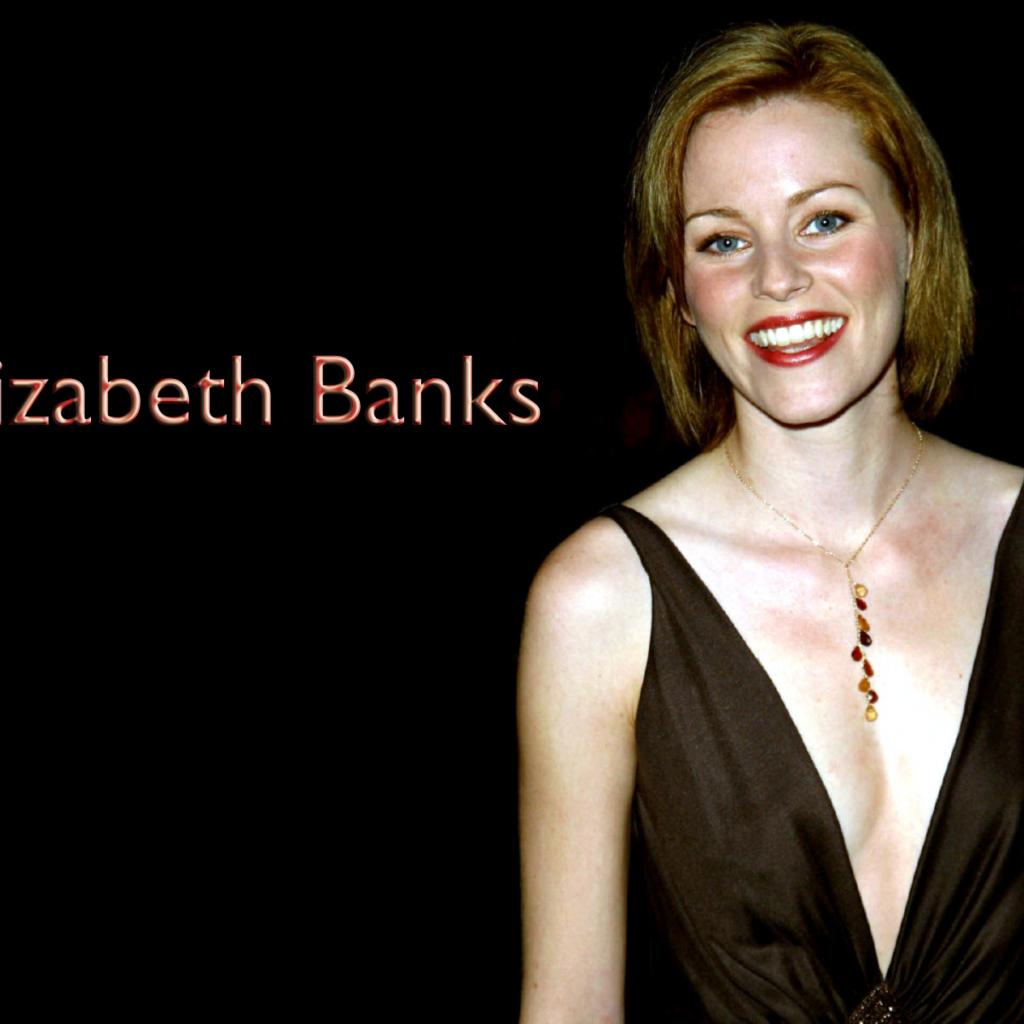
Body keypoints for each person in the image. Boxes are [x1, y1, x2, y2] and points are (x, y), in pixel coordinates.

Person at [517, 21, 1023, 1023]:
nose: (777, 278)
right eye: (723, 240)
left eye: (824, 220)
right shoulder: (600, 599)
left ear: (913, 233)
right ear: (677, 293)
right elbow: (571, 1004)